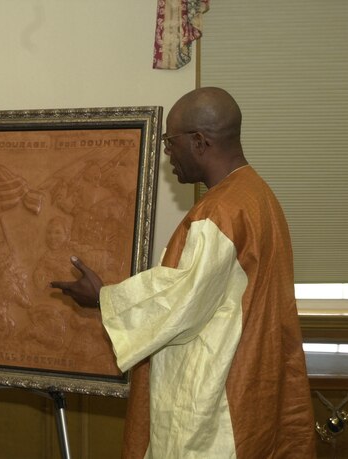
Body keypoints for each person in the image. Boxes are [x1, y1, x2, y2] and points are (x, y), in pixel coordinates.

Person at [51, 87, 316, 458]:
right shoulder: (257, 197)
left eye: (170, 142)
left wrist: (102, 298)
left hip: (215, 405)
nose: (167, 152)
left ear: (199, 141)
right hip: (253, 383)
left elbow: (183, 301)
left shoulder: (220, 212)